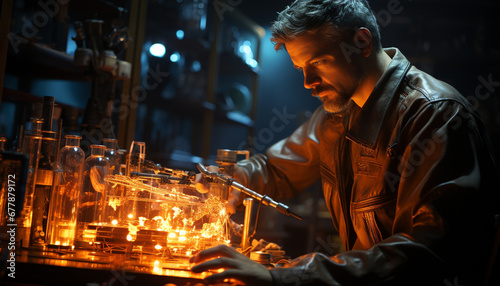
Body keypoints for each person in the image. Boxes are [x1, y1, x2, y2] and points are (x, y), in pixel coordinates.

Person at [190, 0, 499, 285]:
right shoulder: (337, 114)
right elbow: (276, 169)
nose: (308, 82)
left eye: (319, 62)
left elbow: (427, 251)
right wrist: (235, 178)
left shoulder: (435, 114)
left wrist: (284, 278)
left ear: (362, 42)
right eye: (301, 68)